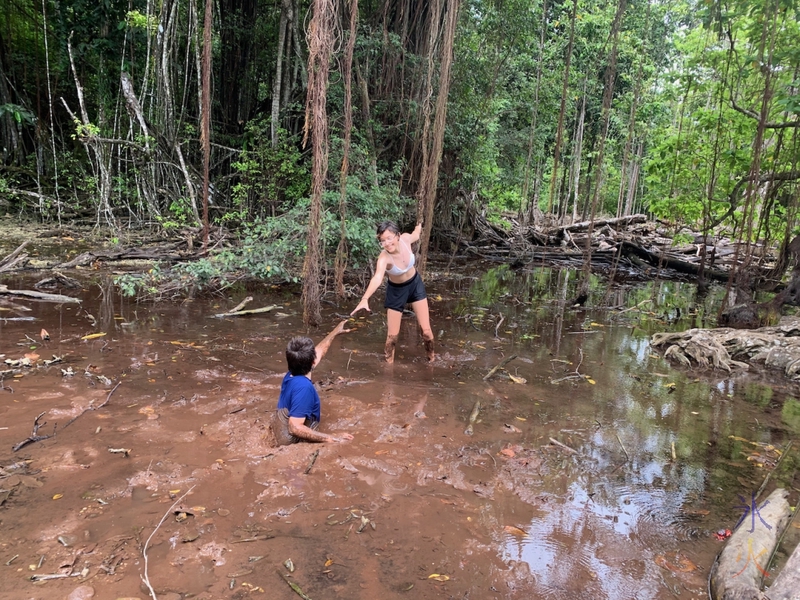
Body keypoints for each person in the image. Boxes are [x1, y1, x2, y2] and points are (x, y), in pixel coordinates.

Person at [350, 221, 435, 363]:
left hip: (415, 284)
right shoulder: (384, 258)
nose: (387, 243)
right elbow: (377, 278)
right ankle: (388, 372)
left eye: (389, 238)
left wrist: (419, 226)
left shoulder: (406, 240)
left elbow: (415, 235)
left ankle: (432, 361)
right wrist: (365, 299)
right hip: (396, 291)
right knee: (392, 338)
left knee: (426, 332)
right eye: (382, 241)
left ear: (398, 236)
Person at [273, 320, 355, 445]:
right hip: (292, 442)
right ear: (312, 362)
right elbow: (294, 427)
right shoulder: (304, 387)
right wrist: (332, 438)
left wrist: (335, 332)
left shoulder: (292, 373)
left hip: (280, 430)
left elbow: (318, 352)